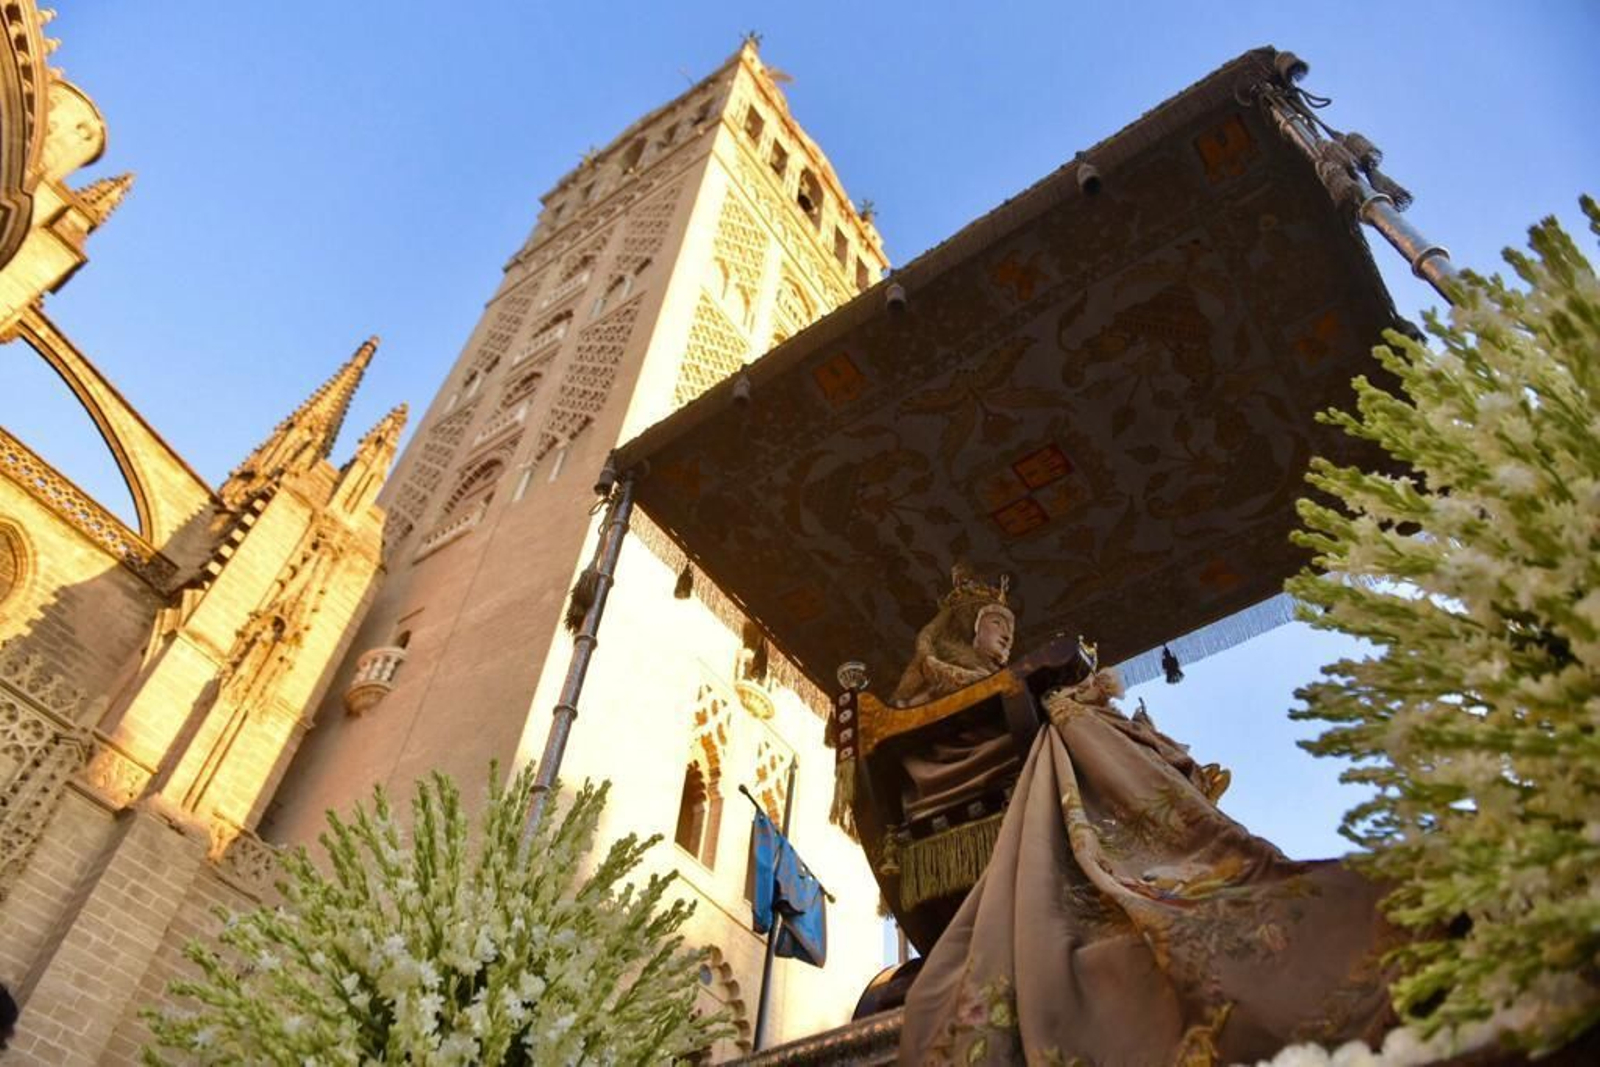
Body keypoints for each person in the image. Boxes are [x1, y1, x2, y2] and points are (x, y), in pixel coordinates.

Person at [892, 577, 1400, 1066]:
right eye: (994, 622)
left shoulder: (997, 686)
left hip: (1014, 763)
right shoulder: (937, 692)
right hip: (980, 786)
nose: (1006, 634)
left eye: (1009, 625)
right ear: (964, 629)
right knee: (1080, 727)